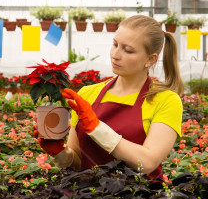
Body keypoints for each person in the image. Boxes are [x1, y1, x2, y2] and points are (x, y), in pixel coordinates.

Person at [34, 14, 184, 181]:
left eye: (128, 50)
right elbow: (78, 162)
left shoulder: (165, 100)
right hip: (88, 198)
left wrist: (96, 128)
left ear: (150, 59)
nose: (115, 54)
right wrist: (59, 152)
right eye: (115, 44)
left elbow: (148, 162)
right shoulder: (87, 94)